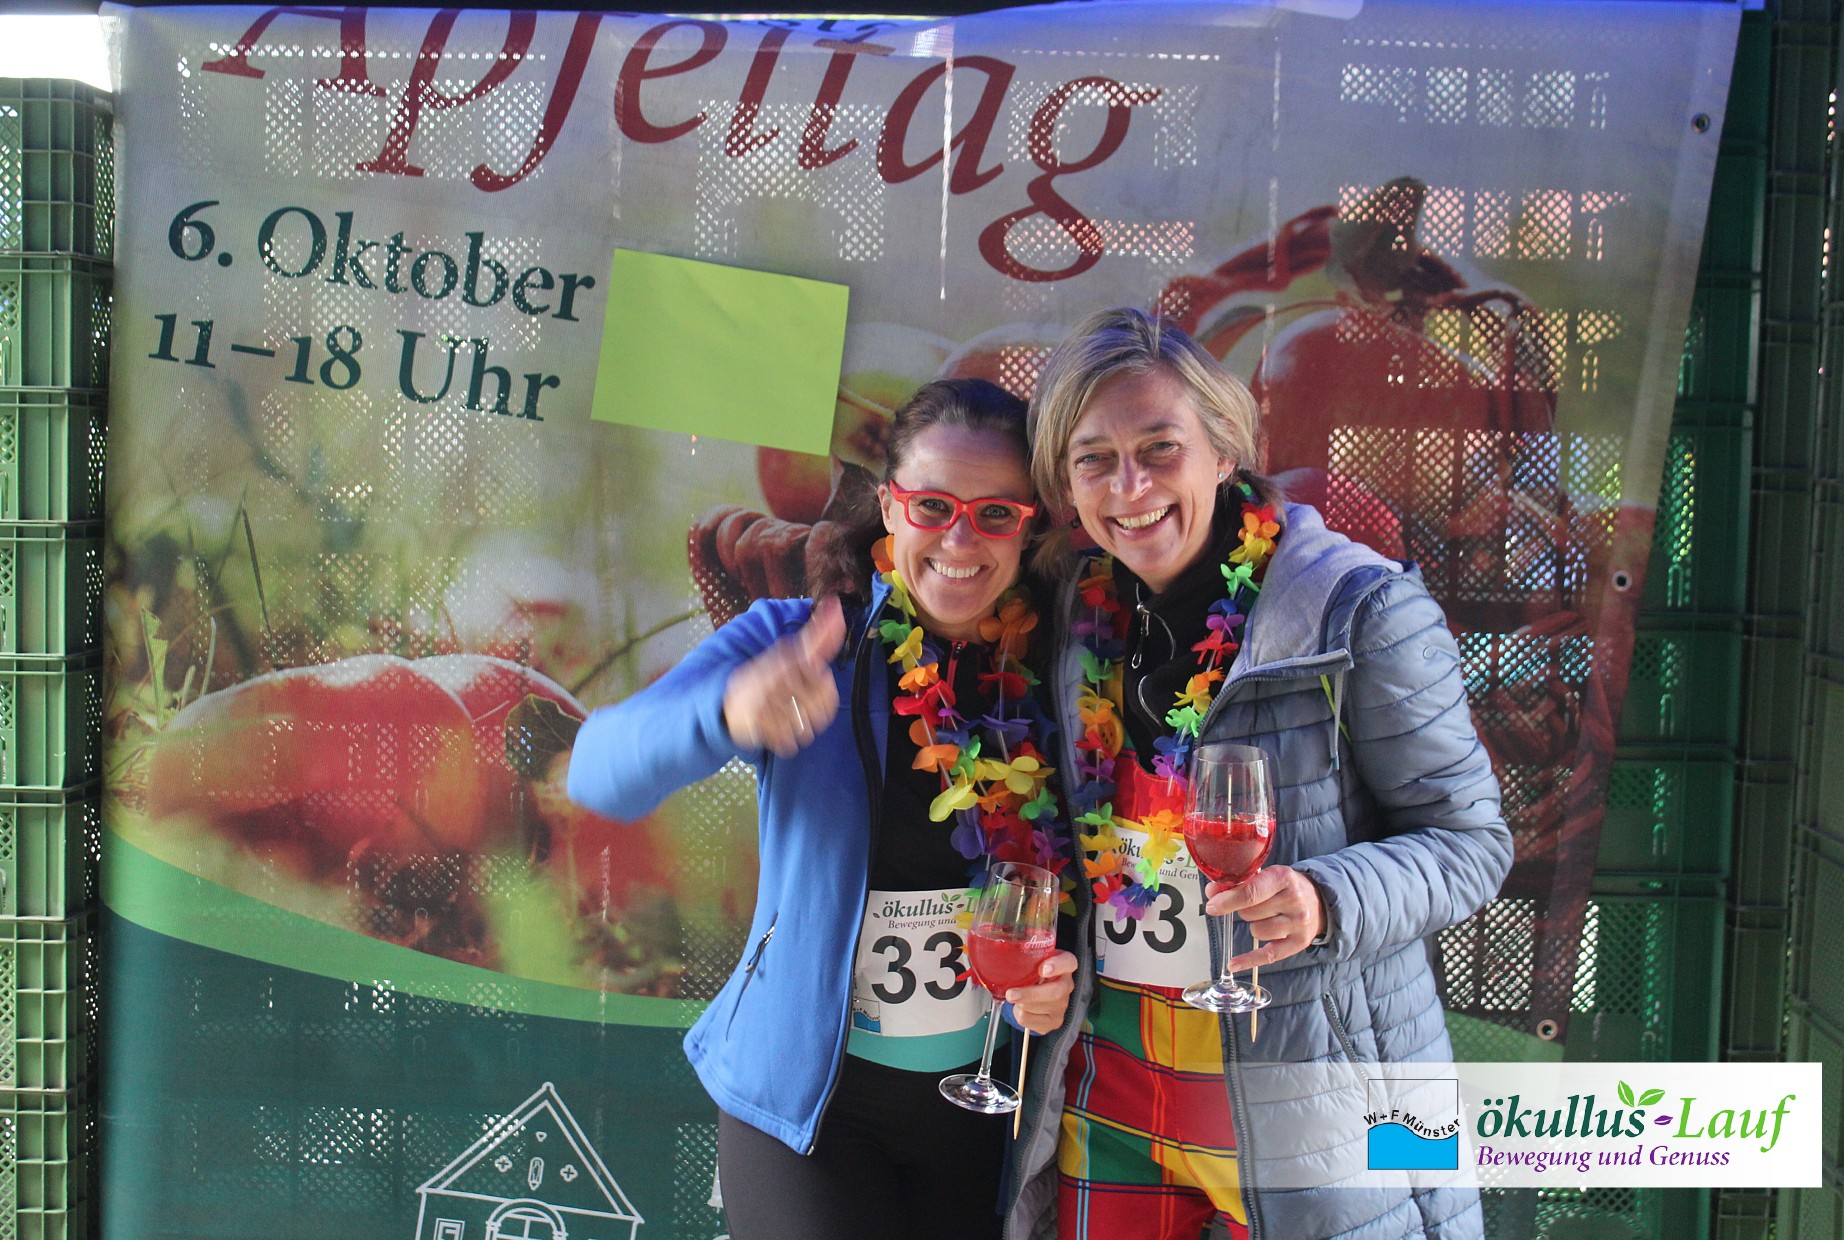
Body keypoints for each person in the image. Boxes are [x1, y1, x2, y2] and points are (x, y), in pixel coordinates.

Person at [1006, 308, 1513, 1240]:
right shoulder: (1079, 613)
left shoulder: (1364, 609)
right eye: (1094, 460)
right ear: (1067, 485)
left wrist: (1326, 898)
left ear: (1224, 451)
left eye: (1160, 448)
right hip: (1114, 1097)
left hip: (1315, 1101)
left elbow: (1472, 844)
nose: (1130, 487)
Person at [568, 378, 1081, 1240]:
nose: (960, 539)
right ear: (888, 506)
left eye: (996, 514)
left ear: (1029, 527)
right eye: (932, 506)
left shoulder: (1062, 672)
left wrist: (1053, 976)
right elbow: (598, 771)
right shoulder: (799, 638)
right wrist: (728, 711)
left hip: (988, 1109)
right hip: (810, 1115)